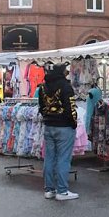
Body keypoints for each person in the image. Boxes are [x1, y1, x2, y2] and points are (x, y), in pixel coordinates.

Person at [37, 64, 79, 201]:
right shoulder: (66, 87)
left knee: (49, 158)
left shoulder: (43, 87)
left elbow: (41, 107)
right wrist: (73, 123)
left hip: (49, 125)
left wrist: (48, 117)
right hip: (64, 126)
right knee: (63, 158)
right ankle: (62, 190)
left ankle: (49, 189)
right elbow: (70, 108)